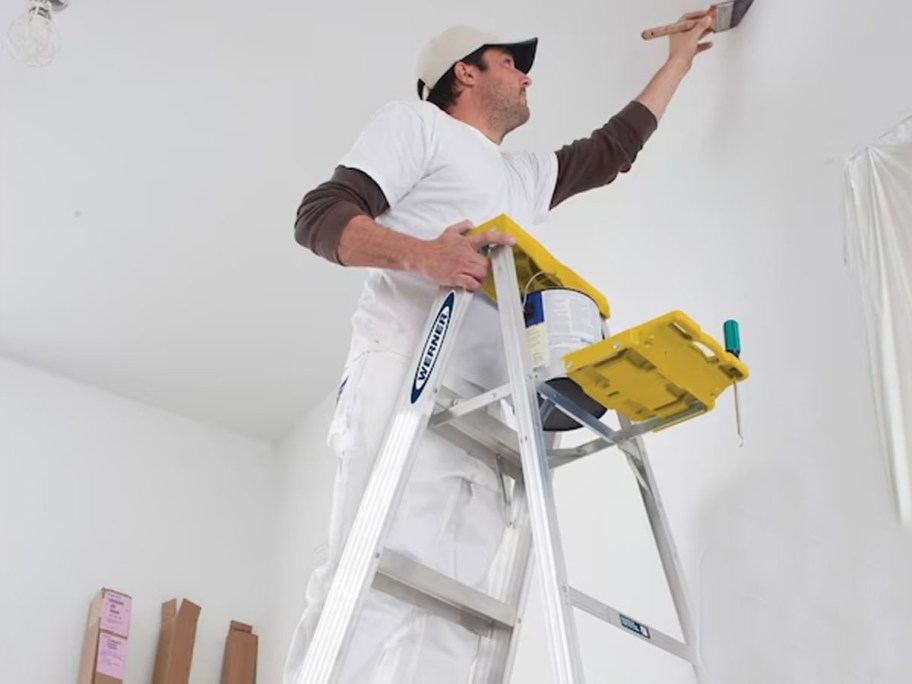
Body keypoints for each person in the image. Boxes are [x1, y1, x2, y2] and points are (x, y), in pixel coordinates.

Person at [285, 16, 714, 684]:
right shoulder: (417, 125)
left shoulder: (516, 177)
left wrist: (680, 61)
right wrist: (424, 255)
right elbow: (321, 215)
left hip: (483, 407)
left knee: (457, 620)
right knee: (371, 579)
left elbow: (611, 150)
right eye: (510, 62)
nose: (526, 73)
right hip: (407, 374)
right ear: (464, 71)